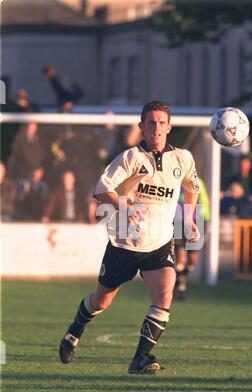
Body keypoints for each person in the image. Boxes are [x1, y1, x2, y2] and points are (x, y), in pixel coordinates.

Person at [59, 101, 200, 374]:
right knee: (102, 300)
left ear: (169, 127)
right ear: (142, 127)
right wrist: (123, 207)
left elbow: (191, 187)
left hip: (159, 243)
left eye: (161, 122)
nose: (156, 128)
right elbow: (101, 189)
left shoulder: (183, 158)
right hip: (125, 241)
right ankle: (75, 329)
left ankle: (140, 359)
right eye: (151, 122)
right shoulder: (130, 158)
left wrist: (190, 218)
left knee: (164, 295)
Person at [174, 178, 210, 300]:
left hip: (197, 221)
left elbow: (204, 201)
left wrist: (206, 220)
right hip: (178, 221)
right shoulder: (175, 180)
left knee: (192, 259)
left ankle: (181, 278)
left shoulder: (198, 182)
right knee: (179, 255)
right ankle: (179, 285)